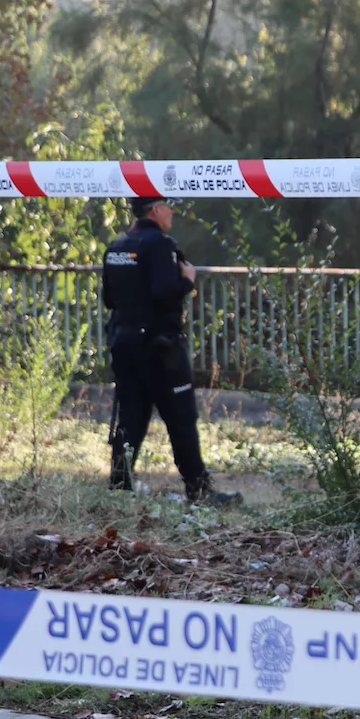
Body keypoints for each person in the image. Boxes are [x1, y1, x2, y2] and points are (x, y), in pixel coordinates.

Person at [103, 196, 238, 505]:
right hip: (159, 347)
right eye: (168, 206)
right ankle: (199, 491)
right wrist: (187, 281)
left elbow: (109, 300)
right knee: (181, 417)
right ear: (156, 210)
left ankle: (119, 488)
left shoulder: (117, 246)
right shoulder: (161, 244)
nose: (172, 212)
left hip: (124, 343)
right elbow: (164, 292)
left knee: (131, 418)